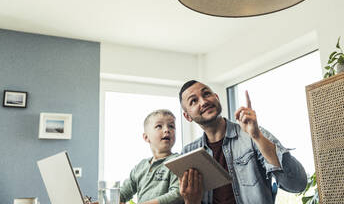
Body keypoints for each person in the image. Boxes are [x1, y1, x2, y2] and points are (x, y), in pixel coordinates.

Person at [178, 80, 307, 204]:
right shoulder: (188, 154)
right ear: (187, 116)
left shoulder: (253, 134)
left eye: (206, 94)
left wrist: (257, 136)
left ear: (216, 97)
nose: (204, 101)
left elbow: (297, 184)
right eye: (193, 101)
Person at [117, 109, 184, 204]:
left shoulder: (178, 161)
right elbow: (123, 193)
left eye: (171, 126)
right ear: (146, 137)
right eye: (159, 126)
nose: (167, 130)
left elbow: (177, 194)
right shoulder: (140, 166)